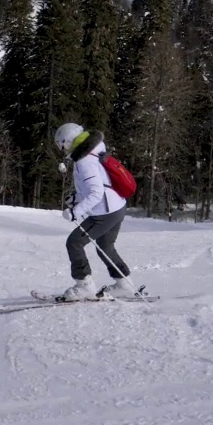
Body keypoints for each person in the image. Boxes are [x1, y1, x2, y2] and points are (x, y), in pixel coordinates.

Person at [52, 122, 140, 301]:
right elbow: (99, 184)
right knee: (105, 247)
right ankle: (124, 285)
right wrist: (76, 198)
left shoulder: (85, 161)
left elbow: (96, 193)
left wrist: (75, 211)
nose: (62, 150)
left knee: (74, 243)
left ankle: (84, 286)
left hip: (104, 212)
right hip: (116, 207)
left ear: (68, 142)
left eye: (62, 146)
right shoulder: (92, 152)